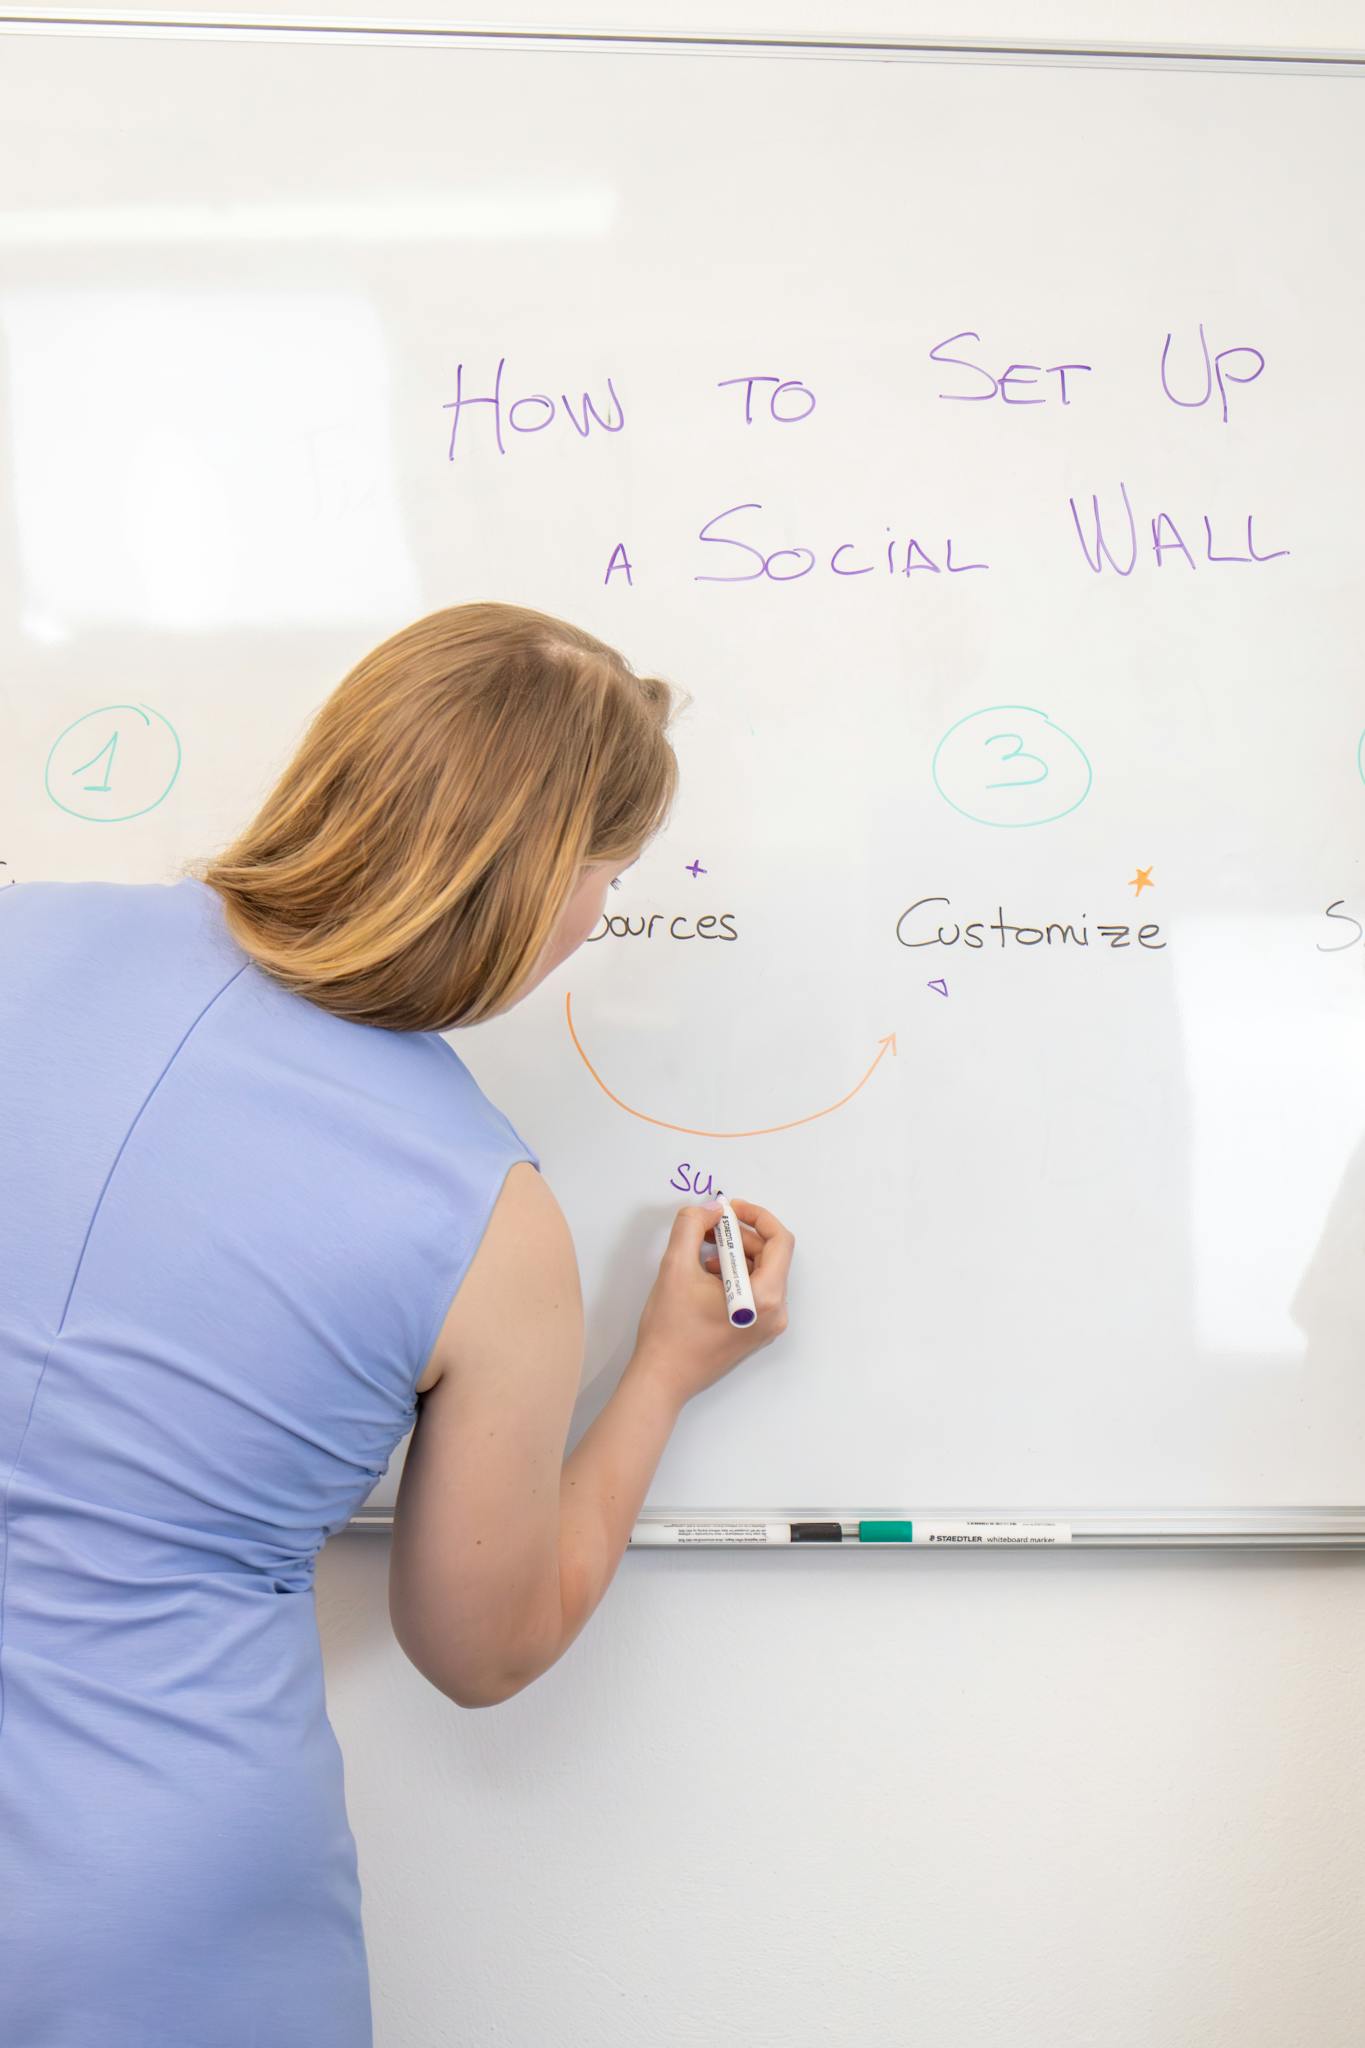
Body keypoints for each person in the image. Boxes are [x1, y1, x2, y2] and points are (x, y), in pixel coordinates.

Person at [0, 602, 795, 2048]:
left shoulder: (15, 933)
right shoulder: (482, 1215)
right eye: (608, 874)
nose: (600, 917)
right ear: (542, 875)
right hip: (155, 1899)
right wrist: (663, 1375)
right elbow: (480, 1649)